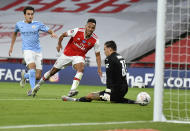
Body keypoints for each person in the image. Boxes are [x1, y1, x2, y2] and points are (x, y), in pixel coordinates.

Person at [33, 18, 102, 97]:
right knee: (52, 72)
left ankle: (72, 90)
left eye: (92, 28)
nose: (90, 29)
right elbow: (62, 35)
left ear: (94, 28)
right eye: (89, 27)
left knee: (81, 68)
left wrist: (99, 68)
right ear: (85, 26)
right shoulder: (77, 31)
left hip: (79, 57)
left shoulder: (95, 40)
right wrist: (59, 44)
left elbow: (98, 55)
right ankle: (38, 85)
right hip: (67, 54)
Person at [62, 40, 137, 104]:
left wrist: (108, 91)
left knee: (90, 95)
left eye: (104, 49)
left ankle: (75, 100)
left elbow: (109, 76)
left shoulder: (109, 58)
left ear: (109, 49)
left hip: (115, 90)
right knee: (115, 99)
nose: (104, 51)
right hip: (124, 88)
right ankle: (134, 102)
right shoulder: (120, 57)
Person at [8, 6, 57, 96]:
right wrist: (11, 47)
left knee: (37, 76)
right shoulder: (19, 24)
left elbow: (47, 29)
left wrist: (52, 33)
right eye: (28, 14)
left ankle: (25, 76)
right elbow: (14, 33)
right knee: (32, 68)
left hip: (38, 51)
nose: (30, 16)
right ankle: (32, 90)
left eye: (32, 14)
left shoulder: (38, 24)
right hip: (27, 50)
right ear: (24, 15)